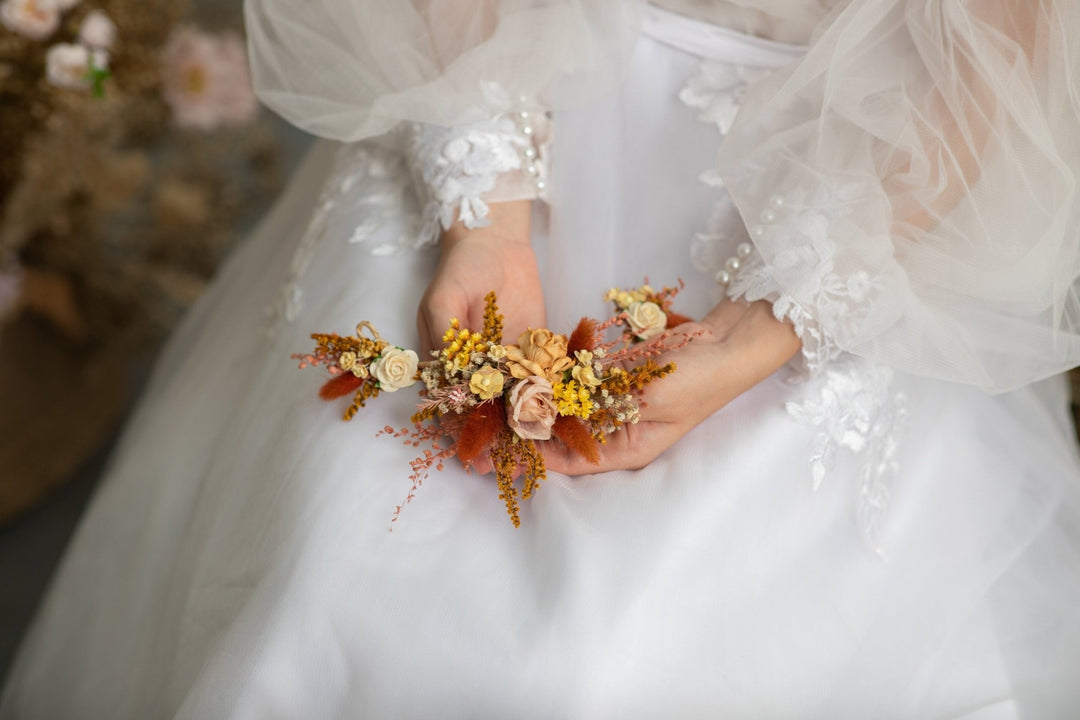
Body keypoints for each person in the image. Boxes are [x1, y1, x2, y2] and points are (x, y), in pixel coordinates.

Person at [5, 1, 1080, 717]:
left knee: (605, 664)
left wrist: (770, 322)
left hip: (859, 170)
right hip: (501, 72)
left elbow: (999, 41)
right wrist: (484, 214)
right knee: (328, 559)